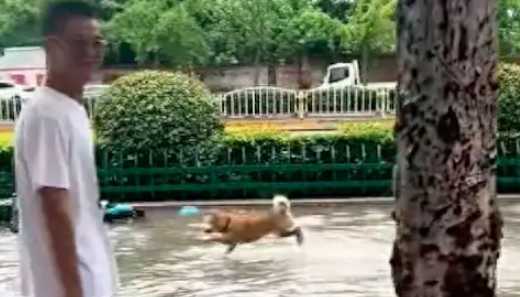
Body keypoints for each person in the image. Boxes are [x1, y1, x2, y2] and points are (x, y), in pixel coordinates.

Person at [14, 1, 118, 297]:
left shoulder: (71, 110)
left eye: (96, 43)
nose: (90, 53)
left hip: (90, 278)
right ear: (52, 47)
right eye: (78, 43)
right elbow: (55, 208)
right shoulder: (46, 114)